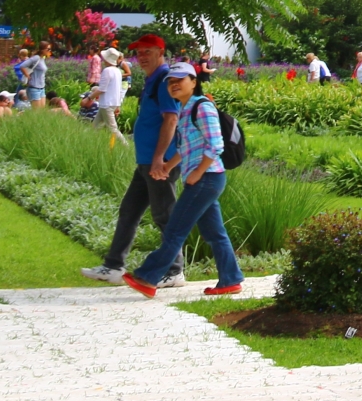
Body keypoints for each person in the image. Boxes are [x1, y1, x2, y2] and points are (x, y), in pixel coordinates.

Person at [122, 63, 243, 299]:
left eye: (180, 79)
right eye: (170, 81)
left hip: (206, 178)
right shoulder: (185, 109)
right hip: (203, 178)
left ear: (194, 81)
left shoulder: (202, 107)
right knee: (215, 233)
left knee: (176, 229)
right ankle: (231, 279)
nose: (174, 84)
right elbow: (186, 147)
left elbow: (216, 145)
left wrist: (198, 172)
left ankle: (148, 277)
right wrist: (168, 165)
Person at [82, 34, 184, 288]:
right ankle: (114, 266)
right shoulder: (152, 79)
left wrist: (160, 158)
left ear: (161, 52)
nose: (142, 56)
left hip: (158, 162)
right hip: (147, 161)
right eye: (139, 52)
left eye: (148, 51)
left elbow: (171, 119)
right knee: (129, 210)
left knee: (164, 214)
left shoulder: (164, 79)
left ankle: (175, 270)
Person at [94, 48, 126, 138]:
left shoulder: (107, 71)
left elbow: (102, 89)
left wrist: (89, 98)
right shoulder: (118, 71)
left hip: (106, 104)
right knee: (95, 126)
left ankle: (125, 146)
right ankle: (84, 141)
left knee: (113, 129)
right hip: (112, 103)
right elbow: (118, 89)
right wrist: (118, 105)